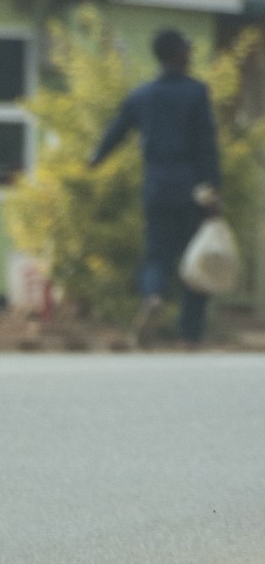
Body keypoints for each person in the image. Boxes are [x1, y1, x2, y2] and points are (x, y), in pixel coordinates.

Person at [89, 29, 223, 347]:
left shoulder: (142, 95)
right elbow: (207, 145)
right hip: (193, 189)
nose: (190, 53)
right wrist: (213, 188)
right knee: (197, 260)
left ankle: (153, 296)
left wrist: (96, 157)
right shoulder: (196, 92)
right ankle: (190, 334)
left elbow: (117, 130)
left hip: (158, 187)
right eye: (188, 49)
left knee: (156, 256)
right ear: (178, 53)